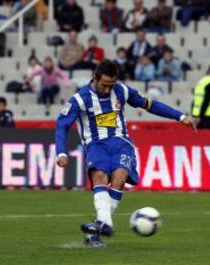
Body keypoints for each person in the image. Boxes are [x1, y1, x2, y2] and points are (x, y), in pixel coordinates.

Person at [55, 60, 196, 248]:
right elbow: (62, 125)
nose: (108, 89)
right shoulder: (80, 99)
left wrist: (180, 116)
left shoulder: (122, 91)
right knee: (100, 176)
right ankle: (105, 225)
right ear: (95, 79)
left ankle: (99, 228)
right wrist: (61, 153)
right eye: (105, 85)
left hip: (121, 142)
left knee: (119, 178)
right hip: (96, 144)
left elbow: (150, 105)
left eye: (111, 85)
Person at [191, 64, 210, 129]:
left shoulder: (201, 81)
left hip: (197, 116)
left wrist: (194, 115)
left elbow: (195, 100)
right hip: (207, 117)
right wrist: (200, 116)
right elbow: (206, 101)